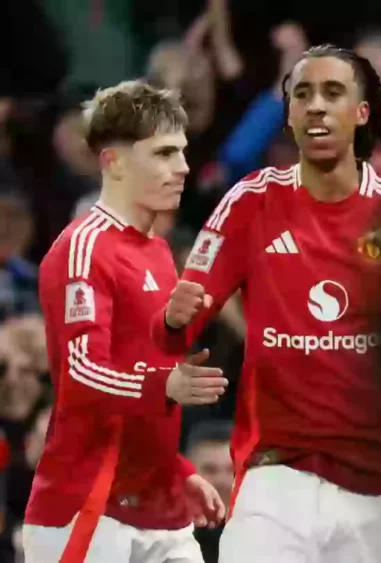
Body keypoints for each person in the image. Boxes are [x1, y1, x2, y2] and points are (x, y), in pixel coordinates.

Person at [150, 45, 381, 563]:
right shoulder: (252, 200)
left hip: (377, 484)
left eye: (332, 93)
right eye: (302, 95)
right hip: (274, 479)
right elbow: (177, 324)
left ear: (361, 113)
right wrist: (171, 320)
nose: (316, 105)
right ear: (290, 116)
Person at [22, 80, 228, 563]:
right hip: (88, 508)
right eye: (164, 153)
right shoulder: (83, 248)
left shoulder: (158, 251)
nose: (183, 167)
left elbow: (141, 372)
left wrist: (178, 470)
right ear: (113, 162)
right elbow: (81, 375)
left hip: (161, 510)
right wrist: (166, 385)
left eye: (182, 151)